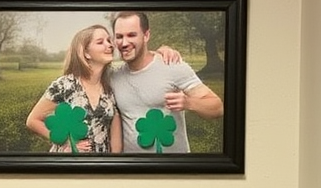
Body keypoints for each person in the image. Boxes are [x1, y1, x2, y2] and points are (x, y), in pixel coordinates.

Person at [109, 9, 222, 154]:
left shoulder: (172, 65)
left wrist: (189, 103)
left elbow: (217, 107)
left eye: (132, 35)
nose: (124, 43)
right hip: (132, 170)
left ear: (146, 35)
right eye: (119, 36)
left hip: (172, 169)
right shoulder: (114, 76)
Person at [25, 24, 122, 153]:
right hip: (69, 164)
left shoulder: (110, 85)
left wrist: (114, 164)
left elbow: (115, 136)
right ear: (86, 53)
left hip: (100, 165)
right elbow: (32, 120)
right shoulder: (65, 85)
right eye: (100, 42)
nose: (110, 45)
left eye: (109, 41)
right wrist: (65, 142)